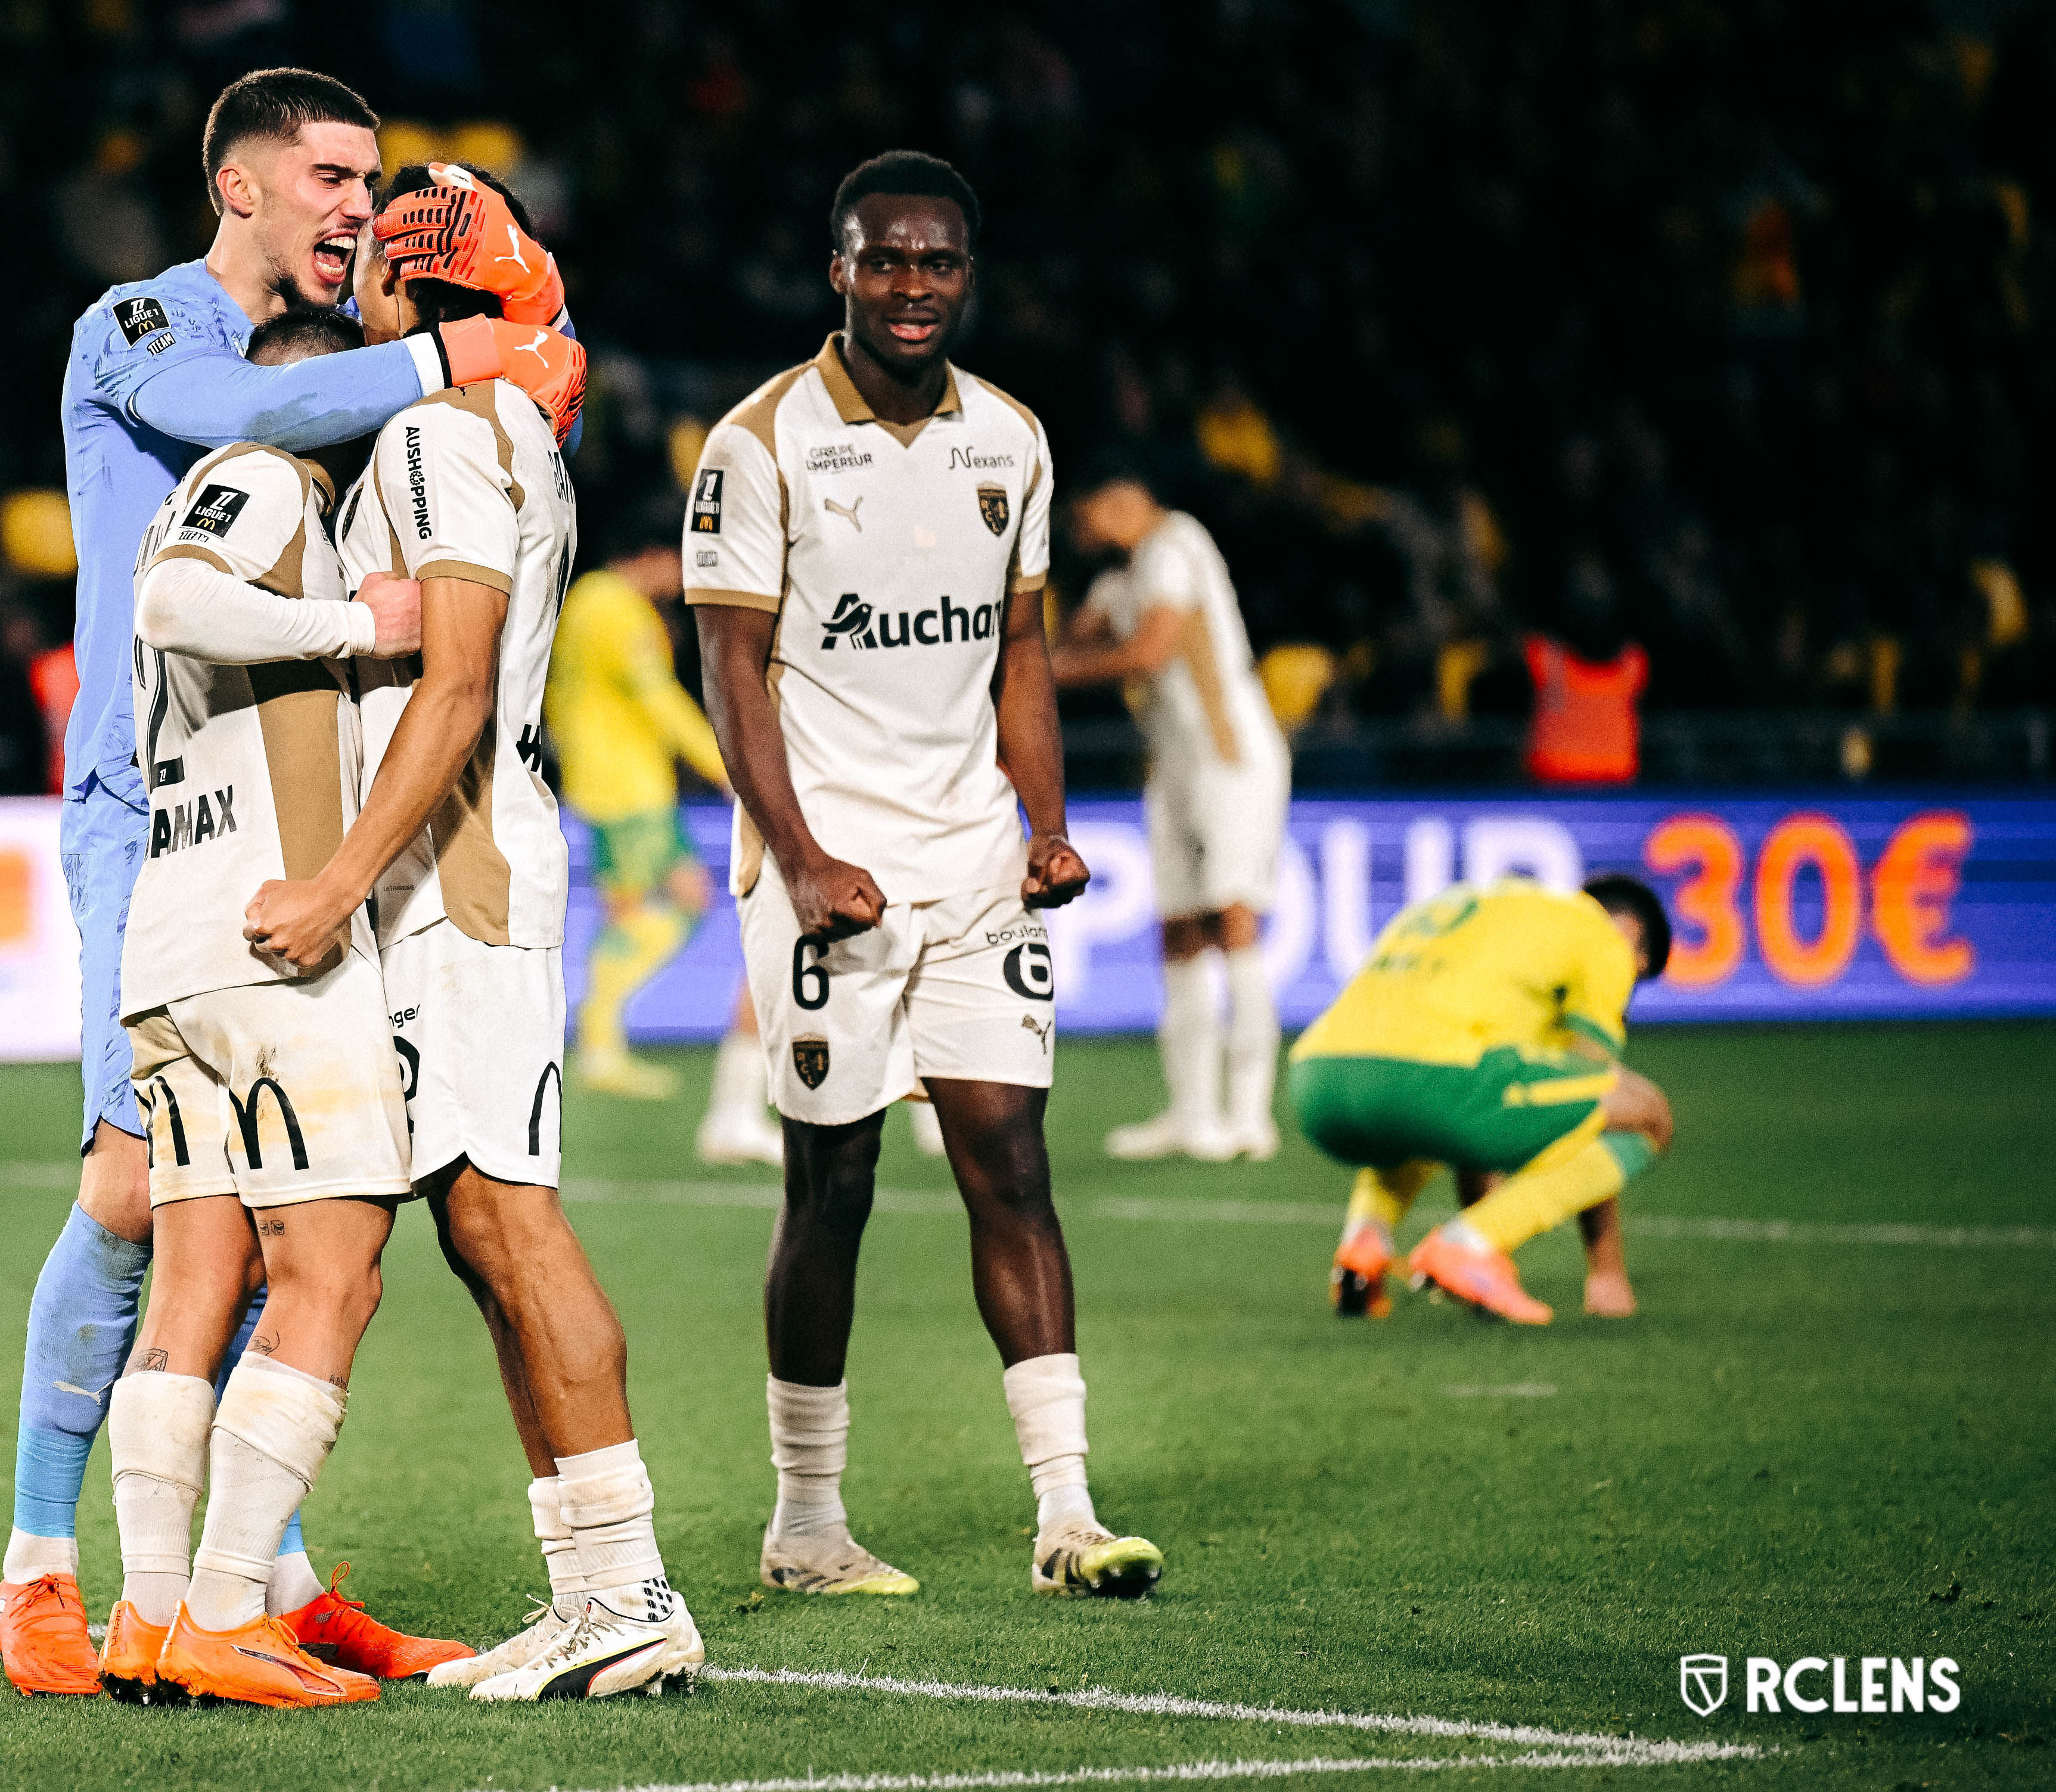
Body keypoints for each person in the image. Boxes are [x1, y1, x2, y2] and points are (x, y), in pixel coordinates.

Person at [0, 65, 586, 1698]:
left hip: (293, 816)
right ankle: (38, 1566)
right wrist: (462, 349)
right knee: (138, 1185)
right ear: (237, 182)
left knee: (286, 1203)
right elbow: (227, 427)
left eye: (374, 175)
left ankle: (267, 1576)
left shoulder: (338, 378)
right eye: (330, 173)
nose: (357, 203)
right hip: (153, 804)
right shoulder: (141, 327)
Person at [243, 161, 701, 1702]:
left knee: (510, 1216)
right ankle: (592, 1590)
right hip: (463, 862)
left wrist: (334, 881)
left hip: (463, 872)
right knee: (481, 1222)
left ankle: (629, 1587)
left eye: (378, 267)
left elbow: (450, 683)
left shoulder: (440, 433)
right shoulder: (492, 429)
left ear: (418, 283)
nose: (358, 292)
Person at [688, 151, 1163, 1604]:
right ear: (835, 268)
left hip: (969, 864)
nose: (911, 286)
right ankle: (805, 1521)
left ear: (968, 275)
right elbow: (728, 665)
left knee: (1010, 1161)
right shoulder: (759, 442)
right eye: (883, 260)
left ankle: (1066, 1512)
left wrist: (1044, 820)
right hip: (827, 868)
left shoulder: (1008, 440)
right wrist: (802, 851)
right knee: (829, 1181)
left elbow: (1019, 646)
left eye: (937, 263)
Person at [89, 307, 461, 1709]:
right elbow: (173, 602)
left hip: (175, 946)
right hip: (271, 942)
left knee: (198, 1279)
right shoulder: (259, 476)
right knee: (333, 1269)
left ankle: (150, 1608)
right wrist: (352, 620)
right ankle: (234, 1611)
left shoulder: (219, 498)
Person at [1294, 874, 1676, 1325]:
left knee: (1432, 1112)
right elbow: (1597, 1096)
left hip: (1316, 1081)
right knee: (1646, 1113)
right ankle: (1467, 1246)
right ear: (1636, 951)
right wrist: (1606, 1272)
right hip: (1430, 1077)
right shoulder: (1602, 940)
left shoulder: (1489, 909)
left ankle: (1363, 1245)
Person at [1052, 468, 1293, 1163]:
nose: (1084, 528)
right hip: (1174, 765)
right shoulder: (1120, 578)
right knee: (1179, 930)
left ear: (1122, 496)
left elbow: (1148, 650)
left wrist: (1048, 669)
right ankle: (1191, 1112)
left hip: (1231, 755)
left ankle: (1249, 1116)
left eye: (1088, 511)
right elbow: (1078, 634)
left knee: (1233, 919)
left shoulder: (1176, 541)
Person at [545, 521, 788, 1164]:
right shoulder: (615, 611)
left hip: (602, 779)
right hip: (629, 788)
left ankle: (603, 1044)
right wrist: (723, 763)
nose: (684, 578)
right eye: (679, 561)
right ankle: (598, 1039)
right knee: (684, 899)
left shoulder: (584, 603)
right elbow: (659, 700)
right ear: (651, 555)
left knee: (638, 908)